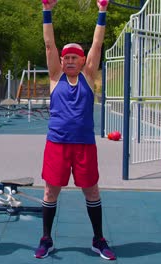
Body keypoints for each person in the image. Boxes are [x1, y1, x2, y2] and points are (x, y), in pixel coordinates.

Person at [35, 0, 116, 261]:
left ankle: (98, 239)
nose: (70, 60)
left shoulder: (88, 76)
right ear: (61, 60)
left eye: (74, 57)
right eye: (66, 57)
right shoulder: (56, 76)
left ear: (82, 61)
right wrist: (47, 9)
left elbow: (97, 45)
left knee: (91, 190)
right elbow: (49, 43)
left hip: (84, 145)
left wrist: (102, 11)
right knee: (50, 191)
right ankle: (46, 239)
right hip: (57, 144)